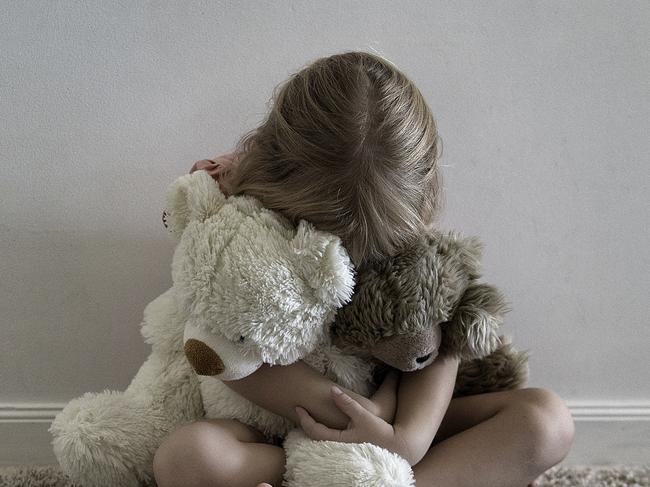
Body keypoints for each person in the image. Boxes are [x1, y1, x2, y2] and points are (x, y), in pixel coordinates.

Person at [153, 51, 575, 487]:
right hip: (273, 434)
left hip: (393, 432)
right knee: (187, 458)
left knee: (546, 421)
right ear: (273, 173)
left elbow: (440, 344)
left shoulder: (415, 238)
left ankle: (386, 481)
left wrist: (406, 438)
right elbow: (220, 348)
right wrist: (364, 411)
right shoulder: (232, 216)